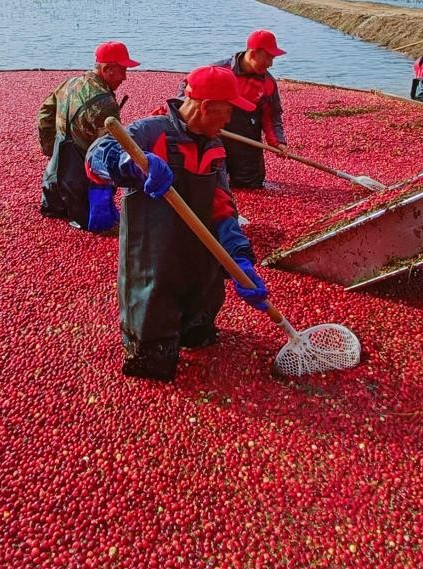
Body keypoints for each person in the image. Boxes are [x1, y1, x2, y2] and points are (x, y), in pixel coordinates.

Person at [86, 64, 271, 383]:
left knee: (199, 334)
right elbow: (95, 158)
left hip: (200, 268)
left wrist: (239, 258)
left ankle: (194, 326)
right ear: (207, 106)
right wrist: (132, 165)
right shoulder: (150, 133)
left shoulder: (214, 146)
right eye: (227, 111)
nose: (229, 120)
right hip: (152, 267)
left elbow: (222, 205)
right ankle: (149, 346)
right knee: (154, 362)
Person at [36, 41, 139, 232]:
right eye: (123, 70)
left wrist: (50, 149)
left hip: (59, 170)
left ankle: (59, 205)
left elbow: (45, 114)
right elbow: (112, 149)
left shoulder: (70, 83)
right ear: (107, 69)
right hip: (81, 177)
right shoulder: (105, 103)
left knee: (61, 164)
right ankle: (92, 216)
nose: (125, 77)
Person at [183, 29, 288, 189]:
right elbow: (188, 99)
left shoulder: (268, 83)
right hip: (214, 133)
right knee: (210, 182)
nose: (270, 64)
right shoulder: (218, 71)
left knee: (250, 184)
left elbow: (272, 115)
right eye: (268, 57)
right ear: (253, 53)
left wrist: (277, 142)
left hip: (246, 136)